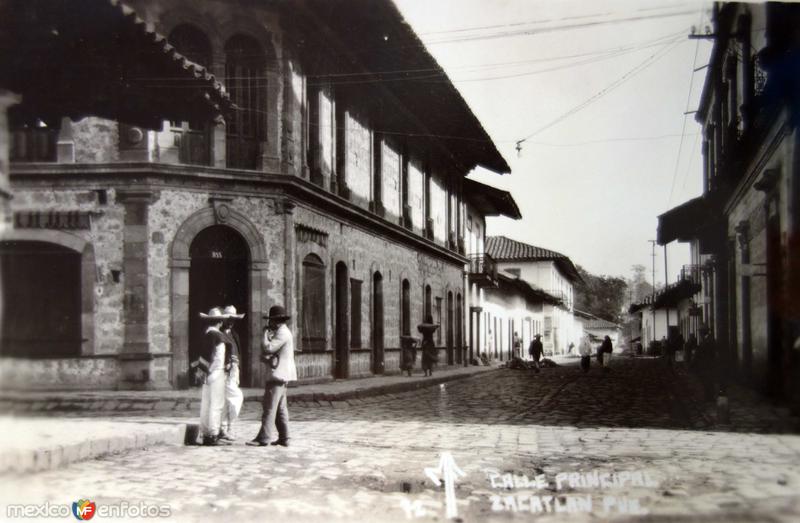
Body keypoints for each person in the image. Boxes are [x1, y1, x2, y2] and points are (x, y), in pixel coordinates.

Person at [248, 305, 297, 447]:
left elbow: (268, 348)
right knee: (281, 408)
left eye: (271, 321)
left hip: (277, 375)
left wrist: (264, 334)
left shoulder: (282, 333)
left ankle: (264, 438)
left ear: (276, 321)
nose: (269, 323)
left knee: (269, 407)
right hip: (283, 375)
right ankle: (285, 437)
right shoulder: (283, 332)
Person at [197, 307, 230, 446]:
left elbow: (203, 357)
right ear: (220, 322)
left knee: (206, 403)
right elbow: (215, 358)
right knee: (216, 404)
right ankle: (213, 434)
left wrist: (203, 372)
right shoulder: (218, 336)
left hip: (207, 373)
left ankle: (205, 433)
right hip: (216, 373)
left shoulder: (206, 334)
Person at [219, 305, 245, 442]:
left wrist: (237, 367)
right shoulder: (220, 333)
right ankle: (223, 428)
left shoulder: (234, 334)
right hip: (225, 372)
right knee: (234, 398)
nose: (231, 321)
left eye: (233, 319)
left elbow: (238, 352)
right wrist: (226, 364)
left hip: (234, 371)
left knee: (230, 400)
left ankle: (228, 428)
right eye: (228, 318)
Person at [695, 325, 717, 402]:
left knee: (709, 381)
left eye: (700, 332)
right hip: (705, 364)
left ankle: (710, 397)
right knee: (706, 381)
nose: (700, 333)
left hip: (708, 364)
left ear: (704, 332)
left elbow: (708, 352)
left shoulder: (709, 340)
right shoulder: (706, 339)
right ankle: (708, 397)